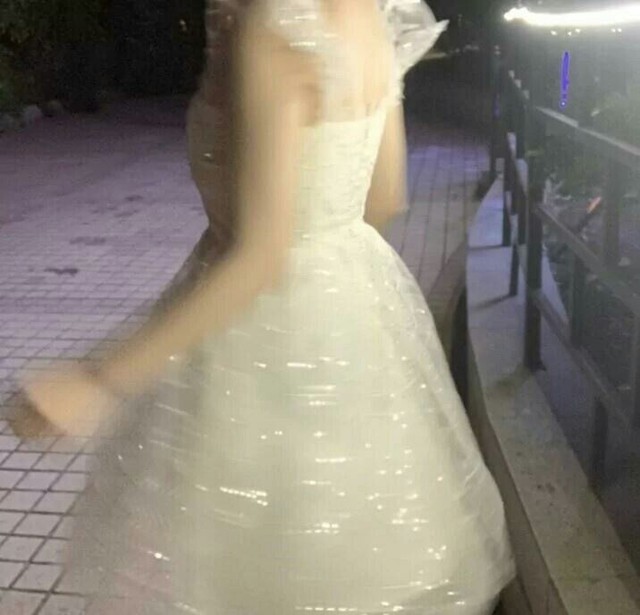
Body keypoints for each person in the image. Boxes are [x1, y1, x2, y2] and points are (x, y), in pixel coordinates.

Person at [12, 0, 516, 613]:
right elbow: (385, 197)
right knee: (336, 560)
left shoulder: (274, 27)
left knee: (239, 566)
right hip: (354, 309)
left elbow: (259, 258)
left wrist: (98, 381)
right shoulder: (372, 15)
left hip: (255, 335)